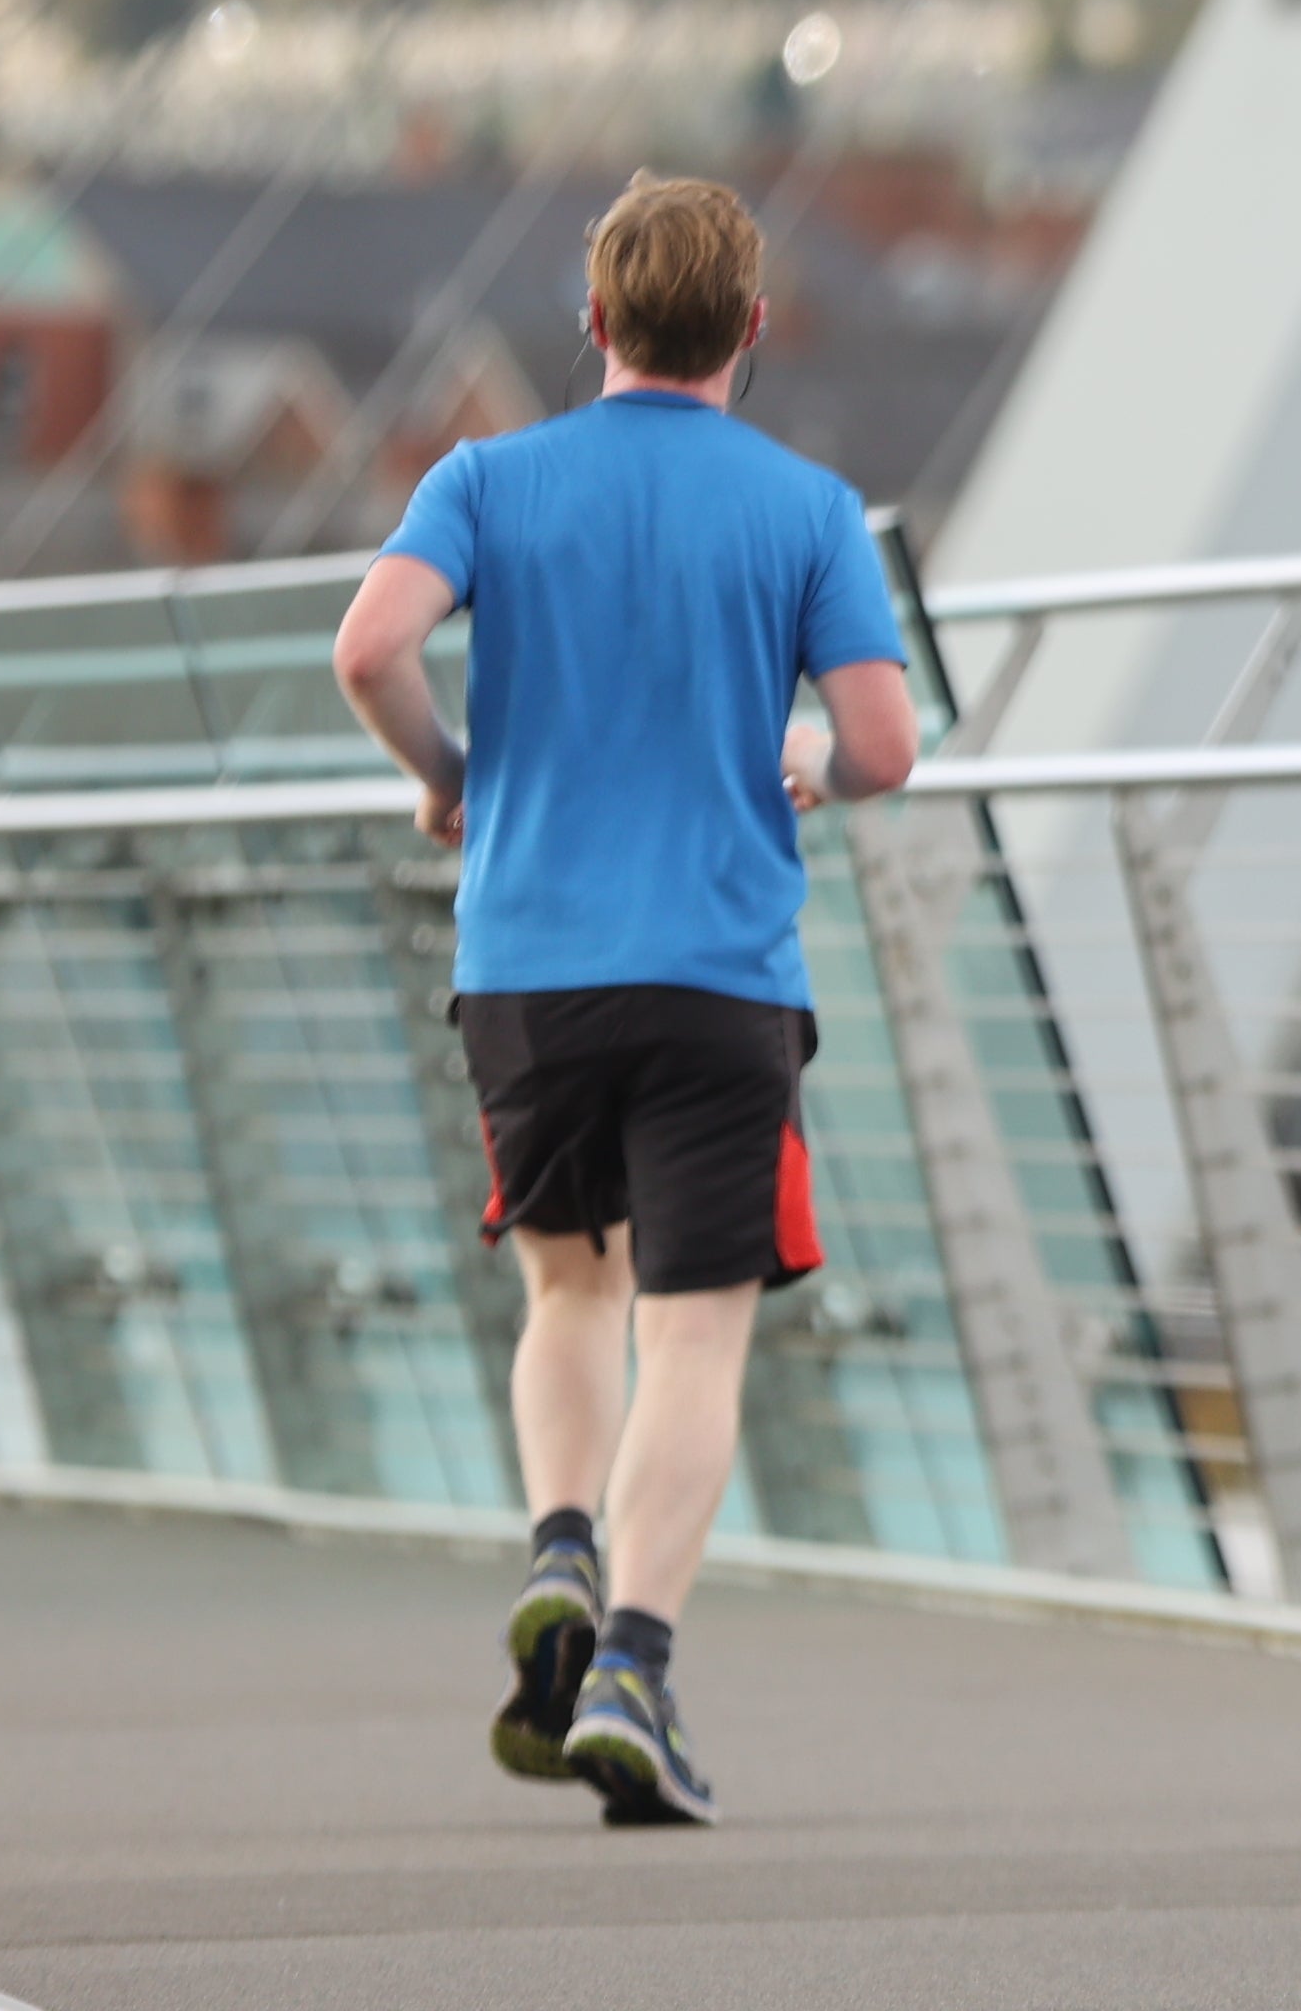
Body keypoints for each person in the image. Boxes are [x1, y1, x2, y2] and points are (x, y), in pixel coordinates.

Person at [331, 172, 919, 1830]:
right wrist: (803, 753)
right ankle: (636, 1676)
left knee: (570, 1298)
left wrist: (448, 775)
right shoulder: (806, 509)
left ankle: (560, 1550)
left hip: (529, 967)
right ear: (751, 329)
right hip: (722, 978)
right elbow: (884, 749)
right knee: (697, 1335)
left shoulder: (486, 478)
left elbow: (368, 645)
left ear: (592, 323)